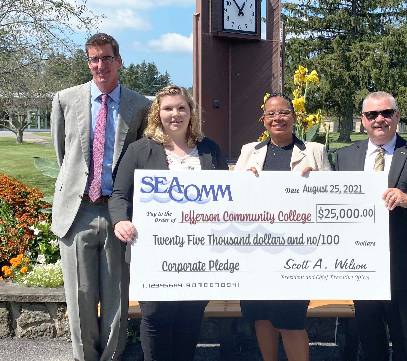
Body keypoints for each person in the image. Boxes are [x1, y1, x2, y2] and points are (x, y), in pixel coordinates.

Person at [108, 85, 228, 361]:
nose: (175, 114)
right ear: (157, 114)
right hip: (154, 251)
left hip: (200, 253)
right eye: (168, 108)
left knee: (190, 316)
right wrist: (120, 222)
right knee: (156, 317)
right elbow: (119, 196)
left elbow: (227, 196)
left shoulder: (209, 150)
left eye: (181, 108)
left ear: (191, 112)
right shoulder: (140, 150)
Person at [50, 33, 150, 361]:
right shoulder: (65, 99)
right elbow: (63, 154)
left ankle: (111, 357)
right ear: (88, 62)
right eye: (94, 59)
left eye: (106, 58)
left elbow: (141, 157)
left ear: (118, 61)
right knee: (79, 298)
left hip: (118, 213)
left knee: (116, 300)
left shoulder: (140, 106)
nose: (100, 65)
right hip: (77, 211)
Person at [333, 91, 407, 361]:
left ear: (397, 116)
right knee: (369, 338)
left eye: (386, 113)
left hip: (403, 263)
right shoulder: (344, 157)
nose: (379, 119)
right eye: (371, 114)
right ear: (362, 120)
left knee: (405, 339)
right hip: (360, 265)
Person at [234, 93, 331, 361]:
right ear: (264, 120)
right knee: (261, 316)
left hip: (296, 251)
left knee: (291, 319)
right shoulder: (249, 152)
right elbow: (232, 199)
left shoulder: (314, 151)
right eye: (271, 114)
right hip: (255, 249)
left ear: (294, 116)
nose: (278, 118)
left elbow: (333, 197)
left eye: (284, 112)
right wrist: (243, 182)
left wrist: (317, 180)